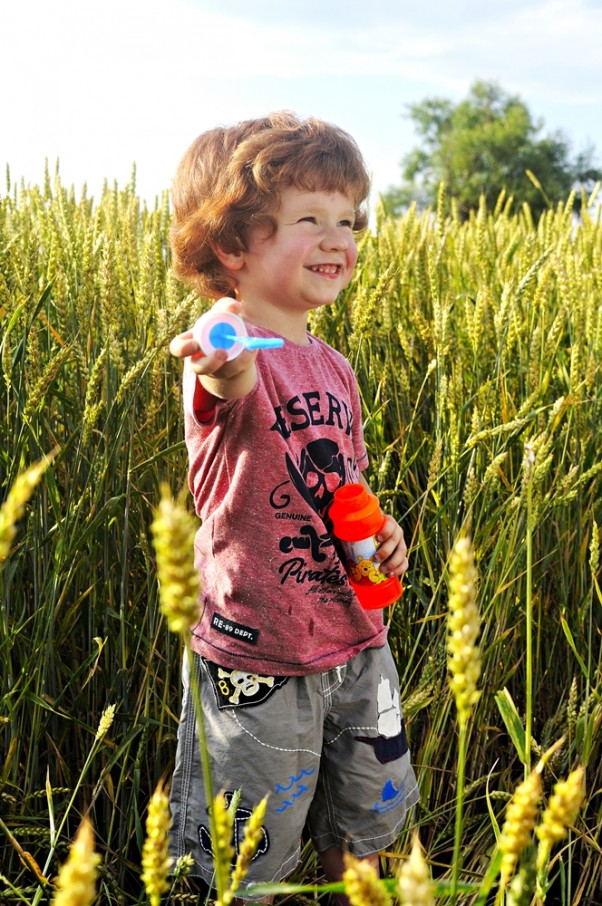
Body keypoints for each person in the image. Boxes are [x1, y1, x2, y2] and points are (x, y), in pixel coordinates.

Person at [167, 111, 419, 900]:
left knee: (369, 831)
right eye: (308, 219)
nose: (337, 237)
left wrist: (385, 532)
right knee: (245, 864)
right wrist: (221, 357)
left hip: (357, 639)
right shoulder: (231, 347)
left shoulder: (335, 367)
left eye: (346, 219)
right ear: (232, 247)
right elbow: (224, 378)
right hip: (260, 660)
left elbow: (348, 488)